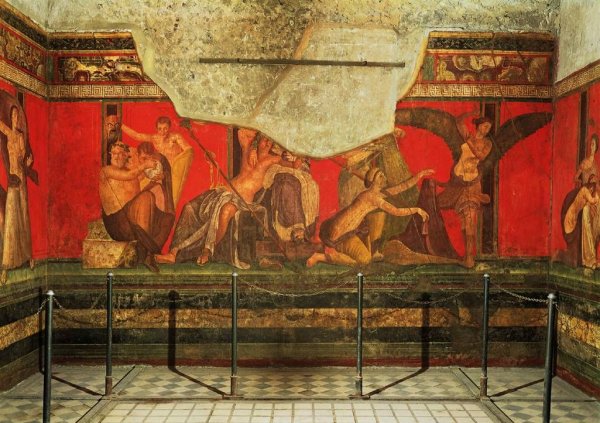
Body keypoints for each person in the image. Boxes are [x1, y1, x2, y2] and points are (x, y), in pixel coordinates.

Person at [156, 129, 281, 268]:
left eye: (271, 141)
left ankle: (207, 250)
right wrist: (252, 148)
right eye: (265, 139)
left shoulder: (272, 159)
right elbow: (241, 132)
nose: (268, 144)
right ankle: (173, 253)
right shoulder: (247, 149)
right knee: (189, 207)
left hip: (241, 201)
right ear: (258, 139)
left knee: (224, 211)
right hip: (222, 193)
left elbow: (292, 163)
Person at [306, 167, 433, 268]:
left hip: (344, 231)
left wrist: (420, 175)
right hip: (341, 234)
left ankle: (329, 252)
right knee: (365, 260)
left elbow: (401, 187)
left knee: (366, 255)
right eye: (380, 176)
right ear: (374, 180)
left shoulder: (374, 194)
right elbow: (396, 211)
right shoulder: (373, 197)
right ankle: (321, 257)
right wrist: (417, 210)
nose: (384, 177)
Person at [99, 141, 175, 272]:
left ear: (125, 156)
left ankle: (148, 253)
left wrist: (160, 176)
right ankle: (149, 252)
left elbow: (144, 175)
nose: (118, 157)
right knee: (146, 197)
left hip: (131, 222)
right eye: (115, 154)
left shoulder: (132, 173)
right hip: (117, 223)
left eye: (121, 154)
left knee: (158, 198)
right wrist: (144, 165)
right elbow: (130, 175)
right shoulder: (106, 171)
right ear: (110, 155)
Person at [437, 110, 493, 268]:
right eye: (485, 126)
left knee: (469, 218)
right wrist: (470, 113)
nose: (486, 130)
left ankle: (470, 258)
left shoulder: (487, 143)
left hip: (472, 183)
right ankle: (467, 256)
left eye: (489, 128)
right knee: (463, 219)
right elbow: (458, 121)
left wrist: (469, 142)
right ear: (479, 125)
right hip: (458, 182)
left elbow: (481, 156)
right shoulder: (469, 135)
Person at [121, 116, 194, 206]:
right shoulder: (155, 138)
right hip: (158, 171)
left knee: (169, 201)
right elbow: (137, 136)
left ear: (169, 128)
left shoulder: (176, 137)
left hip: (173, 173)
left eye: (165, 128)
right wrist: (121, 125)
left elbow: (188, 151)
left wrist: (178, 164)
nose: (162, 132)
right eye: (160, 129)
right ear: (157, 129)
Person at [0, 105, 33, 270]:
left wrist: (28, 163)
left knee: (23, 215)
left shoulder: (20, 136)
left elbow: (22, 157)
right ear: (10, 117)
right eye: (13, 115)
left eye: (17, 116)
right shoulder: (8, 132)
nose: (15, 118)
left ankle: (27, 256)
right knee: (12, 215)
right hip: (12, 177)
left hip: (21, 176)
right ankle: (9, 260)